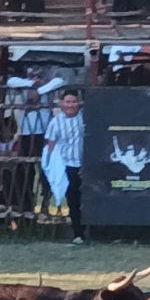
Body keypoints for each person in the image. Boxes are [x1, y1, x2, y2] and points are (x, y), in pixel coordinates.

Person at [44, 90, 86, 244]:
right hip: (66, 166)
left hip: (84, 164)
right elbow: (51, 145)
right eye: (67, 102)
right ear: (61, 103)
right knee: (73, 200)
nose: (70, 105)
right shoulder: (56, 121)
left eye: (73, 102)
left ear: (79, 103)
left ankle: (92, 230)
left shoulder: (84, 119)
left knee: (88, 199)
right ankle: (78, 234)